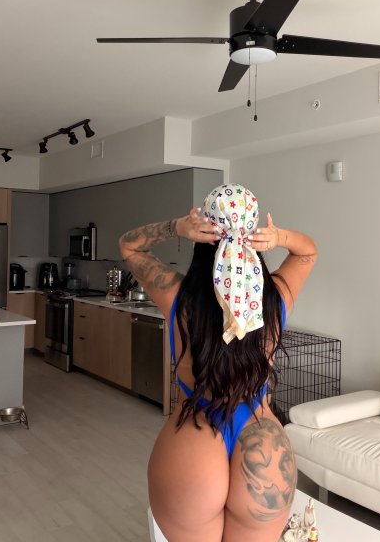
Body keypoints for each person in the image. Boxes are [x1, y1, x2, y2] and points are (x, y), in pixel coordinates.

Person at [119, 183, 317, 542]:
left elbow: (129, 245)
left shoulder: (178, 295)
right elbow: (307, 252)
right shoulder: (276, 297)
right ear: (253, 234)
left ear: (203, 236)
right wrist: (278, 237)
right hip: (262, 441)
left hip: (194, 437)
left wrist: (176, 228)